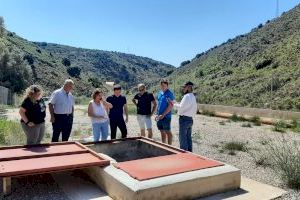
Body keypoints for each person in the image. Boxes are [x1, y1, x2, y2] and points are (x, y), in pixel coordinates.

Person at [173, 81, 198, 152]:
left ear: (188, 87)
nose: (183, 89)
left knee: (183, 138)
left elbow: (181, 107)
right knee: (188, 137)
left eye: (184, 87)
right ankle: (190, 153)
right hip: (190, 119)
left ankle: (184, 155)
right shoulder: (193, 96)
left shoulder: (186, 96)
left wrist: (173, 104)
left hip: (184, 119)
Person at [156, 79, 175, 145]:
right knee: (162, 131)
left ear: (167, 86)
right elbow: (158, 104)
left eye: (164, 85)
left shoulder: (170, 94)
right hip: (159, 116)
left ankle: (169, 147)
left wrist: (163, 115)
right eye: (161, 85)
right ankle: (163, 145)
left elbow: (170, 106)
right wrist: (157, 114)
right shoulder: (160, 93)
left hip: (166, 116)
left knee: (168, 132)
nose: (163, 87)